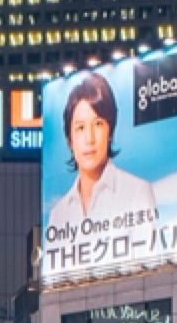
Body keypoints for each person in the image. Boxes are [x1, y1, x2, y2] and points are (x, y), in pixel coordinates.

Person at [45, 71, 158, 241]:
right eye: (80, 128)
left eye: (98, 124)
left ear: (110, 130)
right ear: (69, 139)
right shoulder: (58, 215)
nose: (89, 138)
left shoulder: (137, 192)